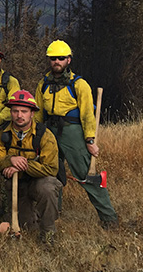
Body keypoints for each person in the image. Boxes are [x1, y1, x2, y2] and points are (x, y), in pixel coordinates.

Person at [34, 40, 118, 229]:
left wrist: (90, 140)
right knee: (52, 173)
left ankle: (109, 218)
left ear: (68, 60)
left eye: (61, 58)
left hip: (73, 133)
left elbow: (88, 115)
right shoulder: (43, 84)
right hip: (49, 132)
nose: (57, 61)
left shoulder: (79, 85)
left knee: (86, 175)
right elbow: (38, 113)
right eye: (53, 58)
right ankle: (53, 215)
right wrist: (36, 136)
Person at [0, 90, 62, 246]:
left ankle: (48, 235)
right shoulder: (0, 133)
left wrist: (21, 166)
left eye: (24, 111)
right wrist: (10, 160)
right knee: (27, 227)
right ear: (10, 112)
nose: (19, 115)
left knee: (47, 188)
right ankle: (32, 217)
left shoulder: (45, 135)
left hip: (39, 182)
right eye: (15, 111)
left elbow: (51, 169)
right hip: (17, 187)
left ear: (32, 114)